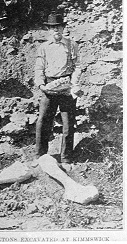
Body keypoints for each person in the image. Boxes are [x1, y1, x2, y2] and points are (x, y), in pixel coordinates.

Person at [34, 11, 82, 164]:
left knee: (68, 123)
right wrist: (41, 84)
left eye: (58, 27)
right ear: (48, 29)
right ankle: (40, 156)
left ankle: (66, 158)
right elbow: (39, 68)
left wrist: (74, 84)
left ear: (63, 28)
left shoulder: (71, 45)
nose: (56, 30)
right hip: (49, 86)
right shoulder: (44, 47)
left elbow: (77, 67)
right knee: (43, 121)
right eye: (52, 27)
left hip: (66, 86)